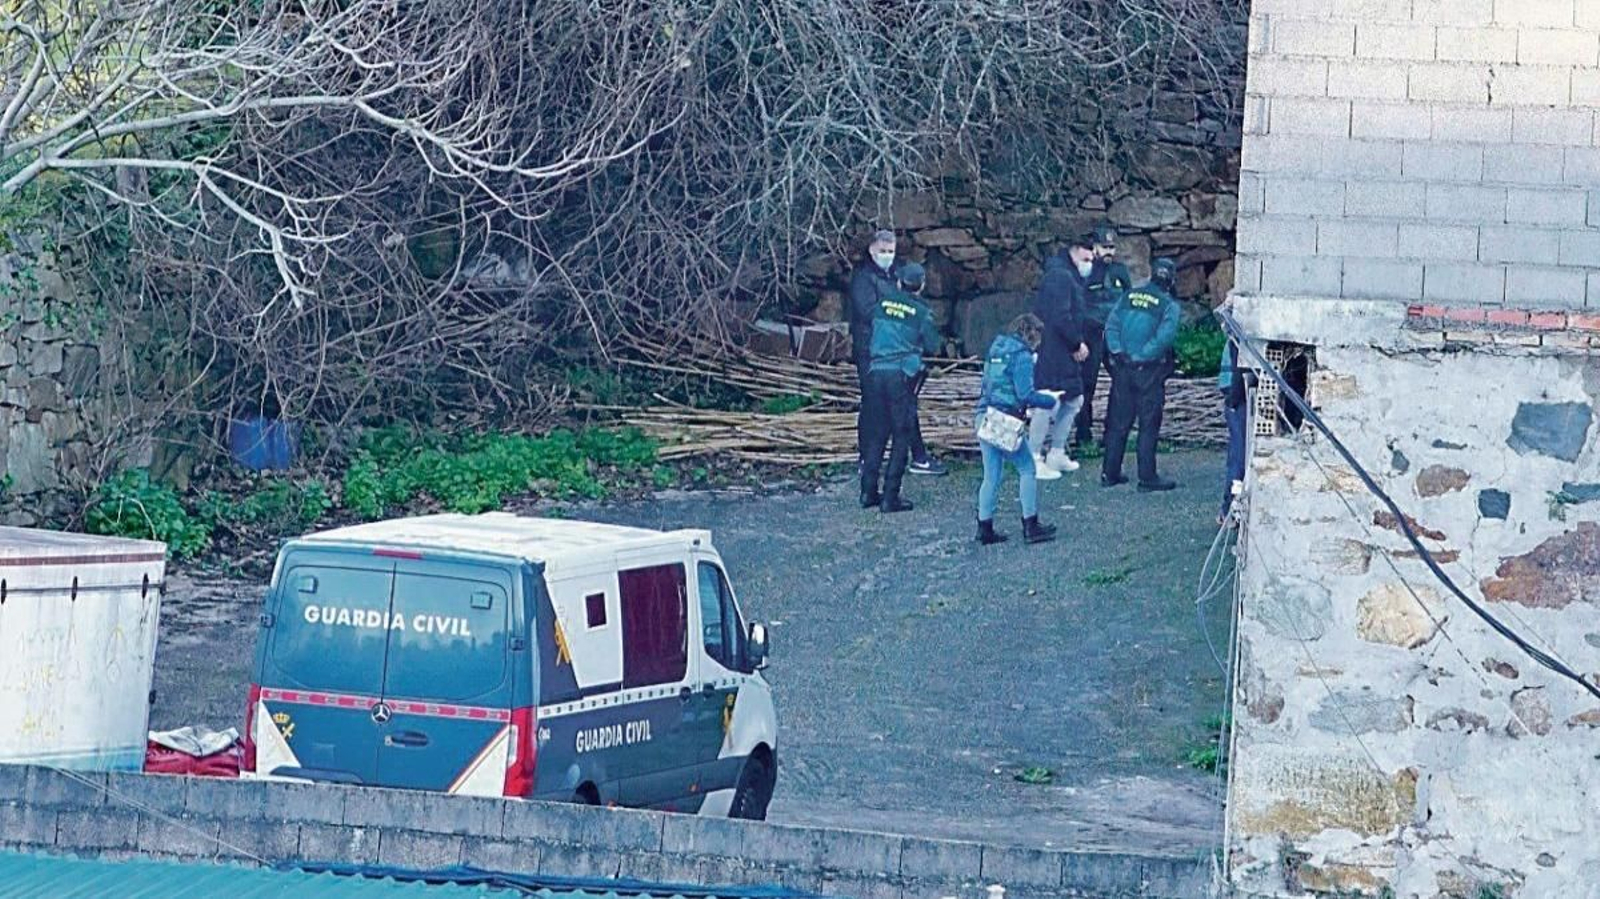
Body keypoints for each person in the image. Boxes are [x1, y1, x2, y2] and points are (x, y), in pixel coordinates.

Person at [849, 230, 947, 478]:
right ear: (871, 249)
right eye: (882, 250)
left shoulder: (896, 274)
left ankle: (918, 456)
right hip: (871, 350)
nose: (887, 256)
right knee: (872, 404)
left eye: (890, 250)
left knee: (906, 404)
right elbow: (868, 311)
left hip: (900, 351)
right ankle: (868, 458)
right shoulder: (863, 278)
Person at [859, 263, 940, 513]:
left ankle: (868, 492)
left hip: (875, 373)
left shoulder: (882, 305)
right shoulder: (922, 312)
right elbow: (933, 345)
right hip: (901, 376)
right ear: (922, 285)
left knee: (877, 434)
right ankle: (891, 497)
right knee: (901, 434)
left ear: (898, 283)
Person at [974, 314, 1060, 545]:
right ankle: (1030, 525)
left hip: (984, 416)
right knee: (1026, 468)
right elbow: (1025, 394)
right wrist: (1050, 401)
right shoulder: (1021, 356)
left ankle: (985, 527)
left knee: (991, 476)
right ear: (1032, 334)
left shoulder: (996, 349)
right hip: (1004, 421)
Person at [1101, 257, 1182, 492]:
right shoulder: (1169, 306)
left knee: (1118, 424)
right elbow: (1164, 338)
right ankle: (1147, 477)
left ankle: (1110, 473)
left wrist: (1118, 352)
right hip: (1148, 371)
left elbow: (1112, 325)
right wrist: (1142, 356)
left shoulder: (1128, 296)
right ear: (1172, 279)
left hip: (1123, 369)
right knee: (1148, 425)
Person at [1029, 235, 1093, 480]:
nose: (1091, 260)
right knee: (1046, 402)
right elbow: (1059, 315)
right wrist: (1076, 343)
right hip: (1054, 350)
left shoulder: (1067, 274)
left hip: (1062, 350)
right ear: (1075, 249)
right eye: (1088, 254)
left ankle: (1056, 452)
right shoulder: (1060, 276)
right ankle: (1033, 457)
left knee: (1073, 400)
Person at [1075, 224, 1134, 448]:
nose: (1109, 251)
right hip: (1090, 334)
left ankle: (1113, 434)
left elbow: (1128, 302)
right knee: (1086, 384)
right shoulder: (1085, 271)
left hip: (1115, 335)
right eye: (1104, 246)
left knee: (1121, 382)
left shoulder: (1120, 271)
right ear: (1095, 247)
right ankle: (1083, 434)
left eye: (1112, 247)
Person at [1216, 327, 1254, 525]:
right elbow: (1239, 371)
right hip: (1237, 395)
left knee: (1237, 453)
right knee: (1239, 454)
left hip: (1232, 391)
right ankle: (1230, 508)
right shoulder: (1240, 336)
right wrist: (1235, 400)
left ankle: (1230, 508)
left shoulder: (1236, 331)